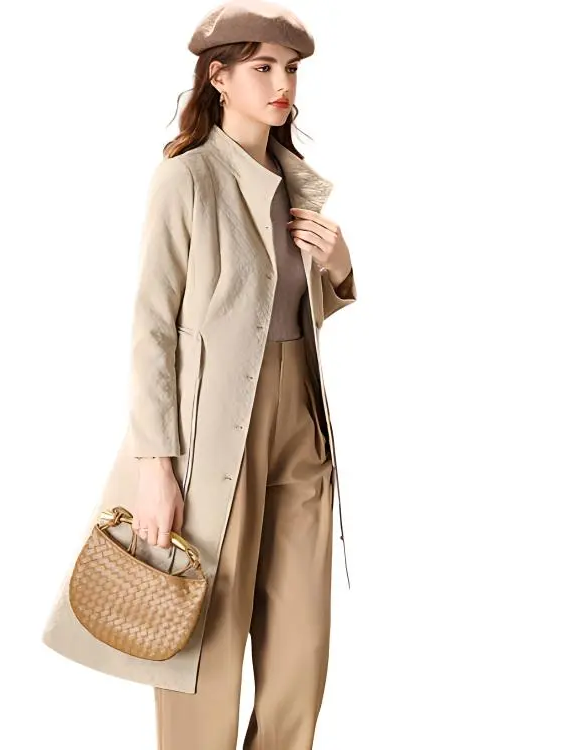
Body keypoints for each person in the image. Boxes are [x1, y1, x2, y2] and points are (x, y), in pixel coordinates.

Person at [128, 2, 358, 748]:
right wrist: (155, 464)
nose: (281, 83)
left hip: (301, 423)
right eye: (262, 67)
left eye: (289, 69)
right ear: (218, 77)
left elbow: (286, 310)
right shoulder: (188, 178)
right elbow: (153, 327)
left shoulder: (294, 184)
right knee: (205, 635)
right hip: (213, 429)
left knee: (300, 645)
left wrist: (339, 265)